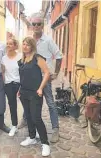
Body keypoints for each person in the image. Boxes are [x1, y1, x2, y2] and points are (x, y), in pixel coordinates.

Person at [19, 13, 62, 143]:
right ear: (31, 26)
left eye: (39, 24)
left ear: (42, 26)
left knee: (50, 104)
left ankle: (55, 129)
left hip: (44, 79)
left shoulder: (48, 40)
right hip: (31, 79)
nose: (36, 26)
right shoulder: (30, 40)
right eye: (34, 24)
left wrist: (55, 73)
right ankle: (25, 120)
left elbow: (59, 56)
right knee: (27, 100)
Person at [18, 37, 50, 157]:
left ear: (32, 46)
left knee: (36, 117)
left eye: (28, 45)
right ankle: (32, 137)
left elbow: (47, 72)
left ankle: (45, 143)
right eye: (24, 44)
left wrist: (41, 88)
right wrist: (19, 89)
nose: (25, 46)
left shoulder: (37, 58)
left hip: (35, 93)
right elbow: (22, 76)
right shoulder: (23, 60)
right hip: (24, 92)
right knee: (28, 116)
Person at [1, 38, 21, 137]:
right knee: (12, 105)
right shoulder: (4, 58)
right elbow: (3, 72)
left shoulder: (20, 57)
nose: (8, 45)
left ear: (15, 46)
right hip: (8, 84)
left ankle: (33, 127)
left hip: (19, 84)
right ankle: (14, 125)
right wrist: (3, 83)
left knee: (27, 105)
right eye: (7, 44)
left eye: (11, 44)